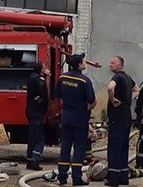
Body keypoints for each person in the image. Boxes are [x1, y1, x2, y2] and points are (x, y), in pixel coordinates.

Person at [54, 53, 94, 186]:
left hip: (66, 117)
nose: (85, 63)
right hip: (80, 118)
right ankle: (76, 179)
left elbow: (57, 95)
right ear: (79, 65)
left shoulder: (62, 78)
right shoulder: (84, 80)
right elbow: (91, 101)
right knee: (79, 148)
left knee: (65, 146)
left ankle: (62, 177)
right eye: (84, 61)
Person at [104, 56, 135, 186]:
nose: (110, 64)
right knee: (123, 146)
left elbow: (110, 88)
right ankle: (123, 176)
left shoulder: (117, 77)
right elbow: (137, 89)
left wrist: (112, 99)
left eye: (113, 63)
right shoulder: (128, 78)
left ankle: (113, 178)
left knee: (114, 146)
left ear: (120, 65)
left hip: (116, 117)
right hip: (126, 116)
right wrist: (128, 101)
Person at [25, 62, 50, 171]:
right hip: (36, 112)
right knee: (39, 138)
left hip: (30, 111)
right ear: (40, 69)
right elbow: (42, 91)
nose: (45, 69)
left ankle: (29, 160)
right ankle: (35, 159)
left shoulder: (31, 77)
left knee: (33, 136)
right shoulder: (39, 79)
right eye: (44, 67)